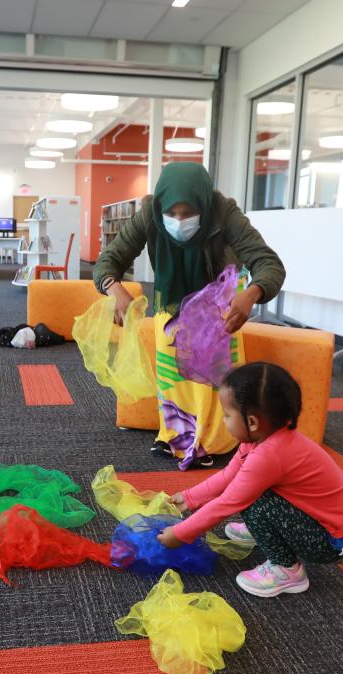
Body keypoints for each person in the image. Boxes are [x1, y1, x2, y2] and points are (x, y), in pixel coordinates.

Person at [94, 162, 285, 469]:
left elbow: (268, 263)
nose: (178, 221)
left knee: (215, 381)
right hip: (172, 307)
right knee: (173, 375)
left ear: (204, 204)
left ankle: (216, 440)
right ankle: (173, 435)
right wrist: (113, 288)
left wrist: (252, 294)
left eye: (188, 214)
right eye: (171, 214)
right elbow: (109, 260)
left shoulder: (224, 213)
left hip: (219, 308)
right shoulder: (149, 212)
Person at [156, 363, 343, 598]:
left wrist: (181, 533)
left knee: (254, 500)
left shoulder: (270, 455)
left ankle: (287, 570)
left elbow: (229, 502)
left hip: (330, 542)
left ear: (252, 422)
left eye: (227, 415)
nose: (224, 422)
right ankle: (267, 531)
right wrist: (189, 497)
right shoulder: (262, 437)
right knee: (250, 492)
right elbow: (228, 475)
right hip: (327, 523)